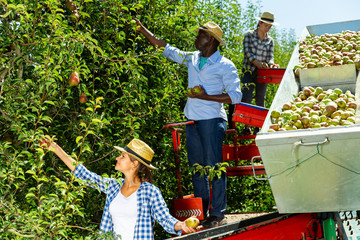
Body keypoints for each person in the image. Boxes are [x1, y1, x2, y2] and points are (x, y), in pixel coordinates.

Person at [135, 19, 242, 228]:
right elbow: (167, 49)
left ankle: (218, 213)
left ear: (210, 40)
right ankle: (201, 212)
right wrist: (142, 29)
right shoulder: (193, 58)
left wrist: (205, 96)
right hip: (193, 120)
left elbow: (236, 96)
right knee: (197, 168)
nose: (195, 38)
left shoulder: (225, 65)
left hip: (212, 120)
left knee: (214, 167)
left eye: (200, 35)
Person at [44, 138, 196, 239]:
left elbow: (165, 219)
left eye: (122, 156)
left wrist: (182, 225)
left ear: (134, 163)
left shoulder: (150, 191)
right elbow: (82, 173)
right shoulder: (113, 187)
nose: (117, 158)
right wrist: (56, 148)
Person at [232, 11, 280, 134]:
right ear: (259, 23)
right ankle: (246, 126)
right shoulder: (249, 35)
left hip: (262, 73)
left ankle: (258, 126)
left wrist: (271, 65)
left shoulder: (270, 40)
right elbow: (248, 54)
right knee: (246, 97)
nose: (267, 28)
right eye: (266, 25)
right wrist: (260, 65)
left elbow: (270, 57)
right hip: (248, 70)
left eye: (270, 26)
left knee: (260, 98)